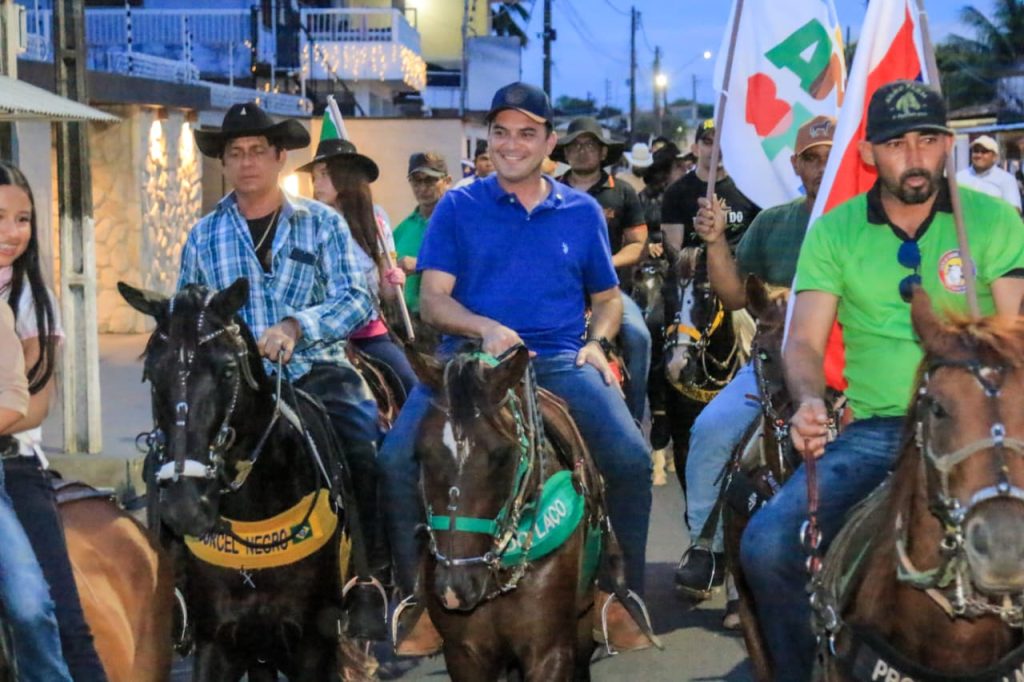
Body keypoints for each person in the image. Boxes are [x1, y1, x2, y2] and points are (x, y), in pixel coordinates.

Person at [741, 80, 1024, 681]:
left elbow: (1013, 332)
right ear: (869, 153)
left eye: (928, 140)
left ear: (947, 145)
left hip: (988, 425)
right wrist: (811, 399)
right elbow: (804, 340)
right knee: (766, 548)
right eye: (897, 144)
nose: (914, 156)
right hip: (880, 430)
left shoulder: (994, 221)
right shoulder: (835, 231)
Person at [379, 81, 654, 654]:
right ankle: (418, 601)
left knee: (629, 458)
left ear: (548, 142)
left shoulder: (580, 212)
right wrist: (483, 328)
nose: (511, 144)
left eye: (527, 133)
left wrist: (599, 343)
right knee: (394, 459)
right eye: (501, 132)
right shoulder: (458, 205)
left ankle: (614, 595)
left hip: (554, 360)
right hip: (469, 365)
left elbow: (605, 299)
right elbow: (432, 300)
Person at [182, 102, 387, 640]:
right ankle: (178, 587)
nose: (247, 162)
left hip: (316, 371)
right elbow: (188, 317)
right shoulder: (203, 236)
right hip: (235, 387)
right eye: (235, 153)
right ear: (224, 163)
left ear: (279, 158)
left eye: (257, 152)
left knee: (363, 445)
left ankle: (367, 576)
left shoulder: (322, 223)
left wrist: (298, 325)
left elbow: (358, 299)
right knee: (175, 454)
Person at [674, 117, 835, 620]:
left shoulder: (862, 222)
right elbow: (732, 293)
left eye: (831, 155)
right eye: (812, 157)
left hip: (845, 368)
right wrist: (717, 241)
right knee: (710, 430)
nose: (821, 165)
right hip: (768, 368)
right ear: (796, 165)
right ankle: (709, 547)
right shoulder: (772, 223)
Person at [0, 161, 107, 681]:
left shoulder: (30, 300)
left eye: (23, 219)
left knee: (46, 609)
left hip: (13, 464)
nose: (12, 233)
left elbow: (36, 406)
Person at [553, 116, 652, 423]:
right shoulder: (549, 191)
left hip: (609, 294)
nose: (582, 151)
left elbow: (638, 244)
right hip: (559, 293)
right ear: (565, 153)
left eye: (590, 145)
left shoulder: (622, 192)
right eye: (575, 145)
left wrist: (604, 263)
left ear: (602, 152)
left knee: (639, 337)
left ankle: (634, 420)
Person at [302, 136, 418, 395]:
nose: (316, 183)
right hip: (319, 336)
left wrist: (395, 280)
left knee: (414, 389)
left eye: (323, 175)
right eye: (314, 177)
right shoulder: (307, 222)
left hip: (368, 333)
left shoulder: (376, 220)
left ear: (344, 178)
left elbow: (387, 294)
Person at [661, 118, 760, 253]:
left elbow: (761, 240)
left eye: (722, 142)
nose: (716, 149)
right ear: (695, 149)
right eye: (708, 142)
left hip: (739, 270)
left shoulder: (748, 188)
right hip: (696, 270)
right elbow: (673, 249)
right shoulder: (676, 193)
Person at [394, 152, 452, 319]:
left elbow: (472, 267)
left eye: (430, 180)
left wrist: (420, 265)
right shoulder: (403, 228)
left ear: (447, 182)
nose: (423, 188)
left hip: (446, 324)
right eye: (416, 181)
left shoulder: (459, 223)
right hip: (406, 322)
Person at [955, 134, 1023, 214]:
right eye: (976, 151)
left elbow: (1014, 211)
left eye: (984, 151)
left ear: (994, 156)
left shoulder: (1006, 179)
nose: (979, 155)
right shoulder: (959, 177)